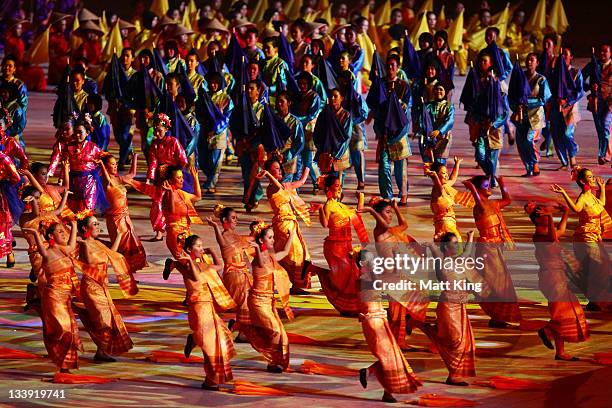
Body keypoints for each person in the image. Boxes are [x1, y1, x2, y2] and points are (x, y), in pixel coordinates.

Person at [360, 197, 428, 349]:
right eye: (387, 212)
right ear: (379, 214)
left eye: (391, 213)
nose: (390, 216)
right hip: (389, 276)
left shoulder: (391, 231)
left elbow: (404, 224)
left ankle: (401, 336)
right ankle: (397, 341)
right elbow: (383, 224)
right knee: (397, 312)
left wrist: (396, 208)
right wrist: (371, 211)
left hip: (398, 275)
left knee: (411, 303)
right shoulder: (379, 231)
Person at [171, 235, 237, 390]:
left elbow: (219, 266)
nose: (201, 249)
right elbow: (194, 276)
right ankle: (211, 379)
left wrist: (212, 251)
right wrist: (187, 260)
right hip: (198, 308)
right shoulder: (188, 266)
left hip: (209, 308)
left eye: (202, 246)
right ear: (189, 250)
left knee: (219, 341)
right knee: (209, 345)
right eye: (198, 246)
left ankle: (210, 378)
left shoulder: (203, 265)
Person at [525, 202, 590, 361]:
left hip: (557, 276)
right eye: (546, 215)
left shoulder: (547, 230)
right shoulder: (539, 233)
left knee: (566, 312)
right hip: (551, 277)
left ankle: (560, 352)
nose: (549, 218)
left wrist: (566, 211)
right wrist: (550, 214)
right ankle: (546, 331)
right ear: (539, 219)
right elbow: (553, 237)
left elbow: (560, 230)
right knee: (562, 313)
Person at [356, 250, 422, 403]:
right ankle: (383, 387)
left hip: (380, 319)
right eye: (371, 261)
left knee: (392, 356)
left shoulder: (371, 277)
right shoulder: (363, 279)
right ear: (362, 264)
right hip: (372, 322)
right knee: (388, 356)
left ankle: (380, 383)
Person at [73, 215, 136, 363]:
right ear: (85, 228)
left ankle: (101, 351)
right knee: (103, 321)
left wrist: (119, 235)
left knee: (106, 321)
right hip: (91, 288)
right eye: (94, 224)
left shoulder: (98, 243)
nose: (98, 226)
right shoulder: (84, 244)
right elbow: (87, 260)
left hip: (102, 288)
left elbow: (111, 254)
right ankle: (101, 350)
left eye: (97, 223)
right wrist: (76, 232)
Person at [23, 220, 82, 373]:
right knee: (62, 330)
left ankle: (65, 365)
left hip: (65, 297)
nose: (64, 234)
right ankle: (62, 363)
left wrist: (74, 225)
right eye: (60, 232)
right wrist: (36, 233)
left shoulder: (64, 250)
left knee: (70, 330)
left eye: (64, 231)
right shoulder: (47, 252)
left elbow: (72, 242)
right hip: (54, 297)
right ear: (51, 235)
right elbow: (42, 249)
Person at [422, 232, 480, 385]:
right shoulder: (441, 260)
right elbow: (433, 249)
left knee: (462, 341)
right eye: (454, 243)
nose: (457, 246)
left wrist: (471, 237)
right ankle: (425, 327)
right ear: (446, 247)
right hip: (447, 306)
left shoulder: (460, 260)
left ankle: (453, 375)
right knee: (455, 340)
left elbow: (468, 251)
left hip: (460, 306)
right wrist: (428, 245)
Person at [463, 175, 521, 327]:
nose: (489, 188)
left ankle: (498, 318)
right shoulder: (479, 206)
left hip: (496, 246)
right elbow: (480, 204)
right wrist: (472, 189)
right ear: (478, 189)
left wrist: (503, 184)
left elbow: (507, 200)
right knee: (494, 283)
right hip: (487, 248)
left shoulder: (492, 203)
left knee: (502, 283)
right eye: (486, 186)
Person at [551, 167, 612, 311]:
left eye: (592, 176)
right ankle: (597, 300)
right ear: (582, 180)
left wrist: (602, 188)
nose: (593, 178)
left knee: (601, 268)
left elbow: (601, 204)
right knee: (598, 267)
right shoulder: (583, 197)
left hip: (595, 236)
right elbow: (576, 209)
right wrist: (564, 193)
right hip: (585, 238)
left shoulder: (591, 196)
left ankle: (598, 300)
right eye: (590, 177)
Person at [257, 160, 315, 292]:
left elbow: (301, 182)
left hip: (292, 223)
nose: (277, 171)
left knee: (298, 254)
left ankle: (296, 283)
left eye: (278, 169)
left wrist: (308, 166)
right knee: (294, 254)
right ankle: (294, 282)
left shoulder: (285, 186)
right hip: (283, 225)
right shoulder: (271, 188)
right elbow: (277, 186)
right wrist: (267, 174)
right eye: (274, 170)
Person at [316, 175, 368, 315]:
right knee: (342, 278)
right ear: (329, 188)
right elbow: (325, 224)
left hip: (346, 245)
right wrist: (320, 209)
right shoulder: (329, 205)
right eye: (337, 185)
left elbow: (358, 215)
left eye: (340, 185)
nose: (340, 188)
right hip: (335, 247)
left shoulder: (340, 205)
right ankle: (317, 271)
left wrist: (361, 199)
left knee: (353, 276)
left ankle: (350, 307)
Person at [246, 221, 294, 373]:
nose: (273, 240)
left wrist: (292, 235)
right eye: (270, 237)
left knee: (283, 337)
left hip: (268, 302)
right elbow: (260, 260)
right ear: (261, 240)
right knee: (275, 332)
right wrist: (257, 248)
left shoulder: (272, 256)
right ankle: (272, 362)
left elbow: (285, 252)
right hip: (258, 301)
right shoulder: (258, 258)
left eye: (273, 237)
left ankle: (276, 361)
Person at [97, 153, 147, 276]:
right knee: (121, 247)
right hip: (115, 219)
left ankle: (129, 271)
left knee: (131, 245)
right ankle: (124, 272)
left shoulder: (119, 179)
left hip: (126, 218)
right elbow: (107, 179)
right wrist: (101, 165)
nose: (115, 166)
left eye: (115, 164)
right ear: (105, 166)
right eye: (112, 164)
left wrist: (135, 157)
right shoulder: (104, 181)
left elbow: (132, 175)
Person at [373, 55, 411, 205]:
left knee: (400, 168)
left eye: (393, 65)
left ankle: (403, 193)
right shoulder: (380, 85)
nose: (390, 68)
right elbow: (376, 108)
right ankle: (387, 195)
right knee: (383, 164)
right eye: (388, 65)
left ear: (398, 67)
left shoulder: (403, 86)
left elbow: (406, 110)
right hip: (384, 133)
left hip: (399, 132)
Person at [511, 53, 551, 177]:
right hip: (521, 116)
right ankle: (529, 169)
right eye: (527, 60)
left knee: (529, 140)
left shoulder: (541, 79)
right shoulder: (520, 77)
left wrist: (526, 102)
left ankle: (534, 162)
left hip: (535, 117)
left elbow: (544, 98)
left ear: (537, 63)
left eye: (532, 60)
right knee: (521, 142)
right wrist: (515, 106)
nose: (529, 62)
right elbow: (512, 94)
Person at [61, 115, 106, 213]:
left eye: (80, 132)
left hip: (89, 182)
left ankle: (88, 227)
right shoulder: (68, 148)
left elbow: (107, 158)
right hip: (73, 182)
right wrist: (62, 181)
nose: (77, 135)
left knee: (86, 211)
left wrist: (101, 168)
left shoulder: (93, 147)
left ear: (87, 133)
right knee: (73, 210)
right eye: (76, 132)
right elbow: (65, 166)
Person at [550, 47, 584, 171]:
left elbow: (580, 92)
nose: (563, 57)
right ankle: (564, 162)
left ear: (571, 57)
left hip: (570, 108)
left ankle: (573, 156)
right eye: (561, 55)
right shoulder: (555, 73)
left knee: (566, 133)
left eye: (566, 55)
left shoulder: (575, 73)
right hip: (556, 106)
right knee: (556, 134)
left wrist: (568, 101)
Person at [425, 158, 473, 242]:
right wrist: (435, 177)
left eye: (446, 172)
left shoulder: (445, 185)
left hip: (449, 221)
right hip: (445, 223)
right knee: (455, 244)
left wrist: (457, 164)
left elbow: (453, 179)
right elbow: (440, 189)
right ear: (435, 175)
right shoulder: (437, 189)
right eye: (443, 173)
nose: (446, 175)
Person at [107, 47, 136, 171]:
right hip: (115, 109)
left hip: (130, 112)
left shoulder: (135, 75)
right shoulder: (115, 73)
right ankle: (129, 151)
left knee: (125, 136)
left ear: (132, 58)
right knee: (118, 136)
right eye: (123, 55)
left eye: (128, 56)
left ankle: (122, 161)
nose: (125, 58)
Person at [583, 44, 612, 165]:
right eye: (601, 51)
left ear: (610, 53)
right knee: (601, 129)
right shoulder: (593, 65)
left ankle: (602, 154)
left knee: (605, 126)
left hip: (610, 102)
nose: (602, 54)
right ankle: (605, 154)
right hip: (595, 102)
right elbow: (580, 79)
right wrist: (590, 87)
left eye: (605, 52)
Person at [419, 83, 455, 164]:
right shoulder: (428, 105)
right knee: (430, 162)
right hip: (430, 137)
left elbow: (450, 121)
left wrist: (439, 131)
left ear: (445, 92)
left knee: (440, 162)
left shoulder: (449, 106)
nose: (438, 91)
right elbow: (423, 120)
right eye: (436, 89)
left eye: (441, 89)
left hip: (444, 138)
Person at [275, 92, 305, 182]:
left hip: (290, 157)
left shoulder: (295, 122)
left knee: (287, 185)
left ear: (289, 103)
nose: (279, 104)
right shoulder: (274, 119)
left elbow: (300, 143)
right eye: (277, 101)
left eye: (282, 101)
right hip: (276, 156)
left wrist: (287, 155)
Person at [0, 149, 21, 268]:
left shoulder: (4, 159)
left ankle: (9, 253)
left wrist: (4, 185)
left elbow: (16, 178)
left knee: (3, 225)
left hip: (1, 197)